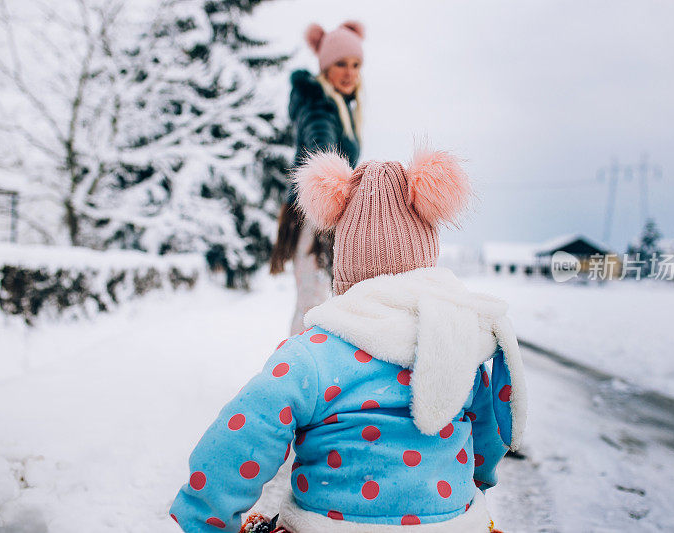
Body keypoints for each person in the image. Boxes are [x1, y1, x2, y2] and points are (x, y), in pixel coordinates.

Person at [169, 148, 527, 532]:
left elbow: (242, 437)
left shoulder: (312, 356)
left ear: (344, 264)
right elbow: (487, 441)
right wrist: (470, 489)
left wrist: (206, 518)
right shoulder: (459, 347)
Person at [270, 21, 364, 336]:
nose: (349, 72)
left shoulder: (337, 105)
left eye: (355, 64)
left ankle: (302, 372)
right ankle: (296, 376)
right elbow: (320, 152)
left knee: (317, 302)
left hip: (319, 213)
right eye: (340, 64)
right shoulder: (320, 107)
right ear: (325, 66)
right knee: (314, 304)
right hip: (315, 215)